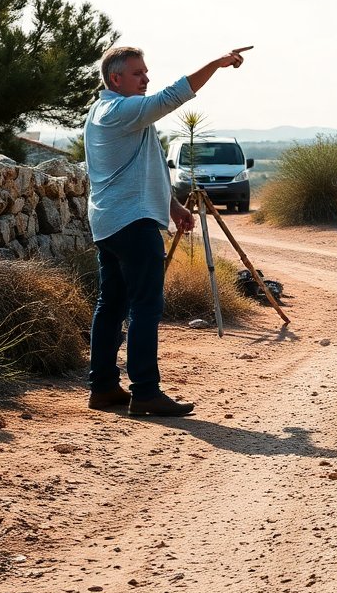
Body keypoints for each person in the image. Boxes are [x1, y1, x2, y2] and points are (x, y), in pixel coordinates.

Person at [85, 45, 248, 416]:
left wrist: (173, 207)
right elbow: (174, 95)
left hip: (111, 222)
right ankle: (145, 392)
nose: (146, 78)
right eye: (139, 73)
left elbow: (148, 164)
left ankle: (104, 389)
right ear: (116, 78)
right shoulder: (120, 109)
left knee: (111, 305)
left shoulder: (108, 111)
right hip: (133, 222)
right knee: (145, 306)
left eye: (146, 72)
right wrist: (216, 63)